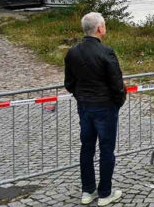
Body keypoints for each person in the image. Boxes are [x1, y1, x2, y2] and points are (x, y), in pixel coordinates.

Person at [64, 12, 125, 206]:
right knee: (106, 149)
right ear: (100, 29)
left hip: (85, 107)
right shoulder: (106, 52)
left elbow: (69, 83)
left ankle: (88, 191)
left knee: (87, 148)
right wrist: (118, 101)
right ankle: (105, 193)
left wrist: (81, 96)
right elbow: (117, 84)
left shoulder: (72, 52)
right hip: (105, 107)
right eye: (104, 25)